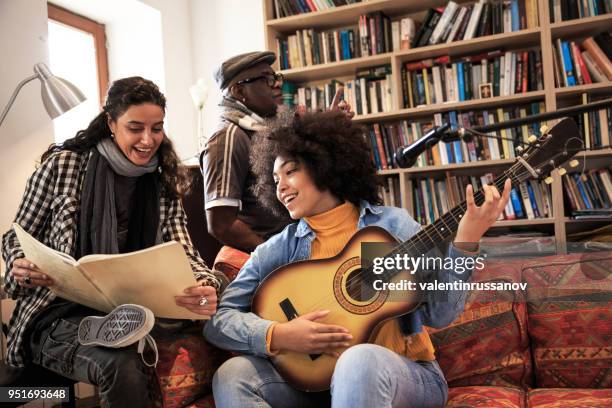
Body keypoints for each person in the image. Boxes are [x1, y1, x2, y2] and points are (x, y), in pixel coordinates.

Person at [204, 110, 512, 407]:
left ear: (323, 164)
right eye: (274, 178)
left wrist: (466, 242)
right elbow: (218, 320)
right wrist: (279, 334)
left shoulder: (389, 228)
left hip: (402, 375)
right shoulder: (282, 247)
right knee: (233, 375)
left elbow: (440, 313)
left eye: (291, 171)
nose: (280, 187)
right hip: (315, 385)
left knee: (359, 359)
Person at [2, 77, 220, 408]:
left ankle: (109, 336)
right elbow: (15, 236)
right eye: (136, 128)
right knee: (121, 365)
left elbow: (182, 249)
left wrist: (204, 284)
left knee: (138, 354)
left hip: (127, 311)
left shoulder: (162, 178)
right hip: (56, 312)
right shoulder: (63, 166)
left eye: (157, 128)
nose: (149, 140)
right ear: (110, 123)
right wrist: (21, 264)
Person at [201, 51, 351, 253]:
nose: (278, 84)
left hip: (304, 238)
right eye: (267, 79)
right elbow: (221, 225)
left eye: (276, 77)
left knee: (378, 238)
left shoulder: (267, 128)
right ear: (238, 91)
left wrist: (330, 127)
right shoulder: (228, 137)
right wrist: (274, 257)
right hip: (281, 254)